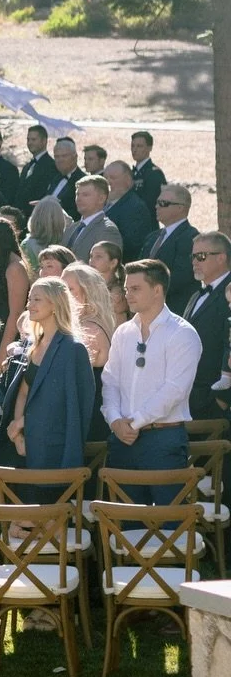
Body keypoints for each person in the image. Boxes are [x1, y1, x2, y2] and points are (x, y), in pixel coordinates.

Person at [101, 258, 201, 495]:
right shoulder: (123, 332)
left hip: (163, 440)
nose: (128, 295)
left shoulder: (182, 333)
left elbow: (175, 390)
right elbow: (110, 380)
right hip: (122, 439)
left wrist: (133, 423)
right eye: (126, 289)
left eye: (135, 289)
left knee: (169, 525)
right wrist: (115, 420)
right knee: (125, 524)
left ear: (157, 290)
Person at [1, 278, 96, 481]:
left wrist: (22, 423)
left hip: (53, 450)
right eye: (29, 299)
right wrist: (18, 435)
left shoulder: (73, 349)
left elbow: (68, 406)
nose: (29, 305)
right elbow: (23, 392)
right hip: (23, 447)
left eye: (37, 299)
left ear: (55, 304)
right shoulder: (32, 344)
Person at [62, 261, 115, 441]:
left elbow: (71, 375)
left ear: (88, 293)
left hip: (89, 416)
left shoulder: (89, 328)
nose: (63, 296)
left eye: (70, 290)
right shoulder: (83, 324)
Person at [184, 232, 231, 420]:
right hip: (192, 397)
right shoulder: (196, 295)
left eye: (201, 256)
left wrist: (223, 399)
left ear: (221, 258)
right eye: (192, 257)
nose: (194, 262)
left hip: (216, 400)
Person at [0, 215, 30, 373]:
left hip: (7, 340)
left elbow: (16, 313)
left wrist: (2, 354)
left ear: (3, 237)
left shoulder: (14, 268)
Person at [147, 184, 197, 314]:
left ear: (180, 207)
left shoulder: (190, 237)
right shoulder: (152, 237)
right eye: (157, 202)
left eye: (163, 203)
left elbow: (181, 277)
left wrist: (148, 290)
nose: (157, 206)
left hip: (173, 310)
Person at [104, 161, 155, 259]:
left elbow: (131, 246)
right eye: (105, 178)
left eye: (113, 178)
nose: (108, 182)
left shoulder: (135, 207)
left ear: (128, 180)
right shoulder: (105, 203)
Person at [64, 175, 122, 262]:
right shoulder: (71, 229)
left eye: (85, 195)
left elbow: (106, 267)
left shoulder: (107, 230)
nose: (78, 199)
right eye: (77, 194)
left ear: (101, 198)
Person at [24, 195, 71, 271]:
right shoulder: (69, 240)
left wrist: (45, 206)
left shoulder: (27, 244)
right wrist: (55, 208)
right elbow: (70, 222)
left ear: (35, 218)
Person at [90, 238, 131, 324]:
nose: (91, 261)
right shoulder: (91, 287)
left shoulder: (117, 294)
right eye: (91, 256)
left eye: (98, 256)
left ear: (113, 263)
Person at [19, 125, 58, 207]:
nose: (29, 143)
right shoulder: (27, 167)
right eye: (28, 139)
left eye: (33, 140)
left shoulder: (51, 166)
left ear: (44, 141)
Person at [130, 130, 167, 215]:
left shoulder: (154, 174)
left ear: (149, 148)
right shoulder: (132, 172)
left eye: (139, 146)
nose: (134, 150)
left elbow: (151, 203)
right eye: (132, 146)